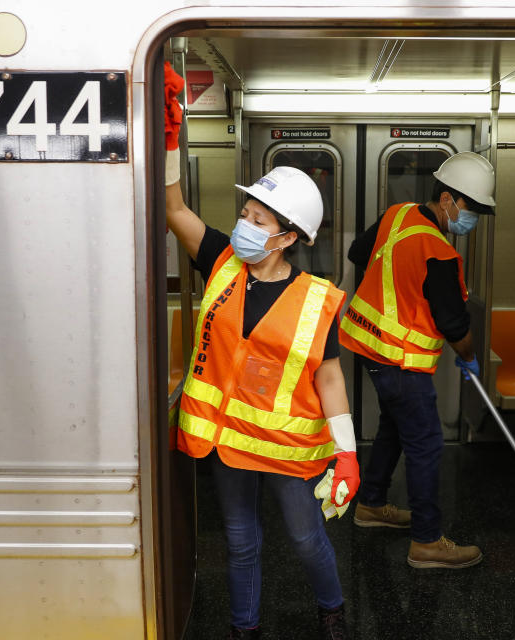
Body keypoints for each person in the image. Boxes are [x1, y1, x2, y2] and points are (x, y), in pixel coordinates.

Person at [163, 62, 358, 640]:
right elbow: (174, 210)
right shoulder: (221, 258)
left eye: (258, 220)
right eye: (244, 215)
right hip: (225, 441)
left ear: (289, 237)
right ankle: (243, 628)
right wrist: (171, 136)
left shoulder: (316, 300)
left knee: (304, 538)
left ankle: (333, 612)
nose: (244, 226)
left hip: (287, 448)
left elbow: (329, 381)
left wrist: (346, 454)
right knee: (240, 542)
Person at [338, 151, 496, 569]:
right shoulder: (439, 252)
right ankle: (427, 540)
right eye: (471, 209)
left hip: (369, 349)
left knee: (393, 425)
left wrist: (397, 280)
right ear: (447, 199)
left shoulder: (397, 214)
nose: (473, 219)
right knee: (425, 444)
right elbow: (454, 323)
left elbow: (358, 253)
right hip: (400, 359)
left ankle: (371, 504)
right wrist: (469, 357)